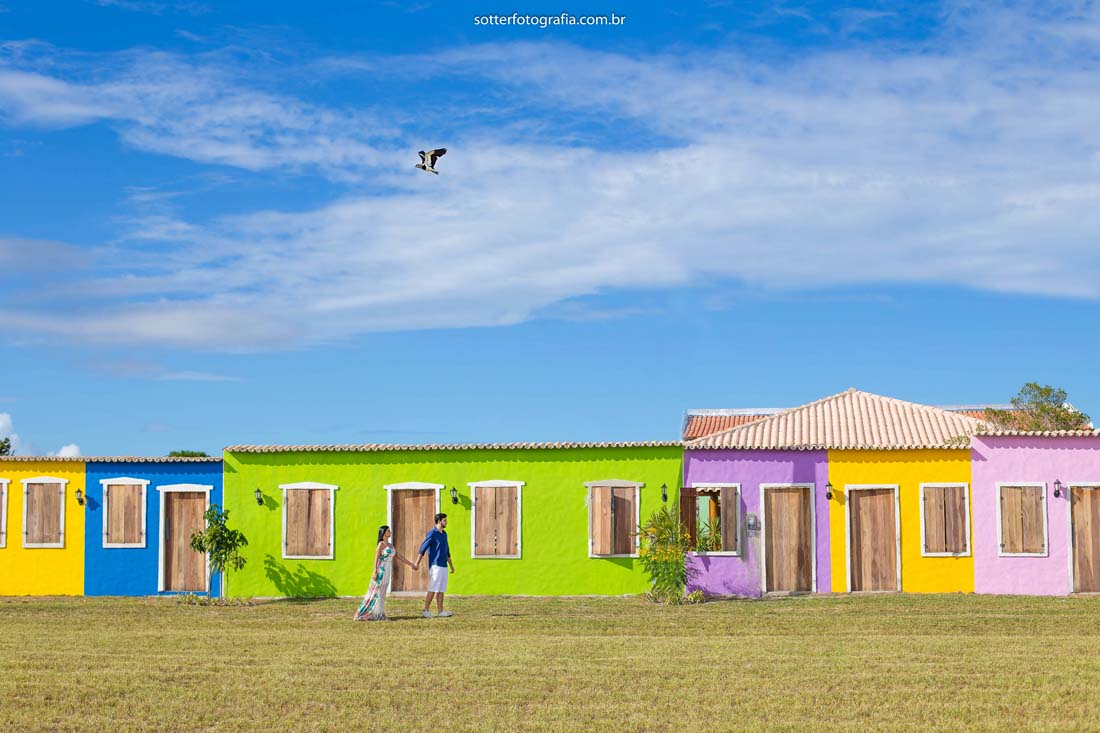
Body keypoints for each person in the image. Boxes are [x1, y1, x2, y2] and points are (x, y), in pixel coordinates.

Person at [353, 525, 418, 621]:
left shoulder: (391, 545)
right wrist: (375, 571)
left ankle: (380, 613)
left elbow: (398, 556)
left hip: (388, 569)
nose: (390, 532)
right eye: (388, 531)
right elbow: (376, 558)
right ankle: (373, 614)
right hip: (381, 568)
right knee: (377, 591)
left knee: (383, 591)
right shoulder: (381, 545)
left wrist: (411, 564)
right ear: (383, 533)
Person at [417, 512, 455, 618]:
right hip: (435, 565)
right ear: (439, 521)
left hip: (444, 566)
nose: (446, 522)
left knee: (441, 589)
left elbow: (447, 551)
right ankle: (425, 610)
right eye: (444, 520)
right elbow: (423, 548)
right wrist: (417, 563)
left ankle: (440, 611)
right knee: (433, 588)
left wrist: (451, 566)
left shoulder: (444, 534)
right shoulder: (432, 533)